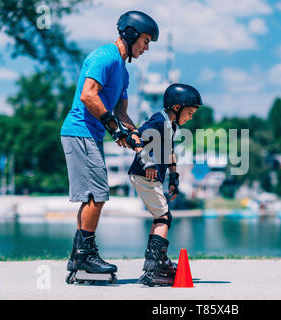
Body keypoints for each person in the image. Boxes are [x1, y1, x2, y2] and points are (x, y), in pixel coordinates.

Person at [60, 11, 159, 284]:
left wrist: (138, 139)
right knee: (97, 194)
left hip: (90, 134)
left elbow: (122, 114)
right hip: (80, 131)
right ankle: (84, 257)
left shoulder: (123, 72)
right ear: (130, 33)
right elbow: (88, 95)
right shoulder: (105, 56)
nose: (147, 47)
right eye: (146, 40)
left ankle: (80, 257)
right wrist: (114, 128)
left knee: (94, 194)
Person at [128, 83, 203, 286]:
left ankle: (154, 264)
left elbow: (169, 152)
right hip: (144, 174)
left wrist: (174, 178)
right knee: (164, 217)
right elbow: (135, 136)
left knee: (160, 216)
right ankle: (155, 268)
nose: (190, 117)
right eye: (189, 112)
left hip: (150, 178)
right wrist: (146, 161)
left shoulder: (172, 125)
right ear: (177, 108)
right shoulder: (159, 120)